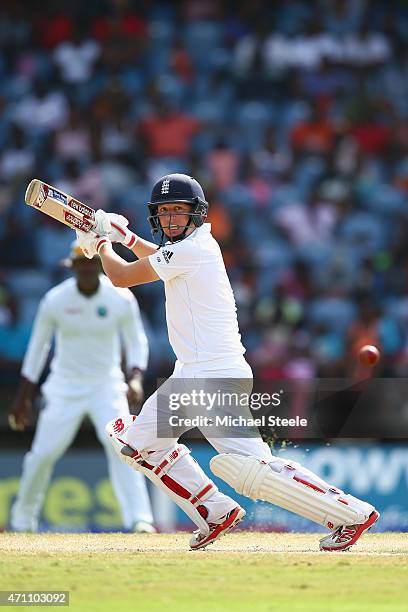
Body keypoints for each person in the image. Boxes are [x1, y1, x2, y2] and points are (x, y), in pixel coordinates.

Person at [75, 173, 379, 551]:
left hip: (213, 377)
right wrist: (121, 238)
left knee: (251, 470)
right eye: (164, 212)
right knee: (136, 443)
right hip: (192, 375)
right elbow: (156, 260)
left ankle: (351, 513)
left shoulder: (194, 249)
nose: (171, 219)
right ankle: (213, 511)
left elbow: (120, 277)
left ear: (196, 214)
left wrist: (102, 242)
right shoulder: (186, 250)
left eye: (178, 212)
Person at [8, 241, 155, 533]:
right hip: (64, 386)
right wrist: (24, 396)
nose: (87, 269)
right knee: (43, 453)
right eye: (81, 264)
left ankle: (140, 519)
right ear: (72, 267)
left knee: (125, 449)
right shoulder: (55, 300)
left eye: (91, 264)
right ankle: (22, 521)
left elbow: (137, 341)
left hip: (107, 384)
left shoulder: (120, 298)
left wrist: (135, 377)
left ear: (100, 265)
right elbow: (38, 348)